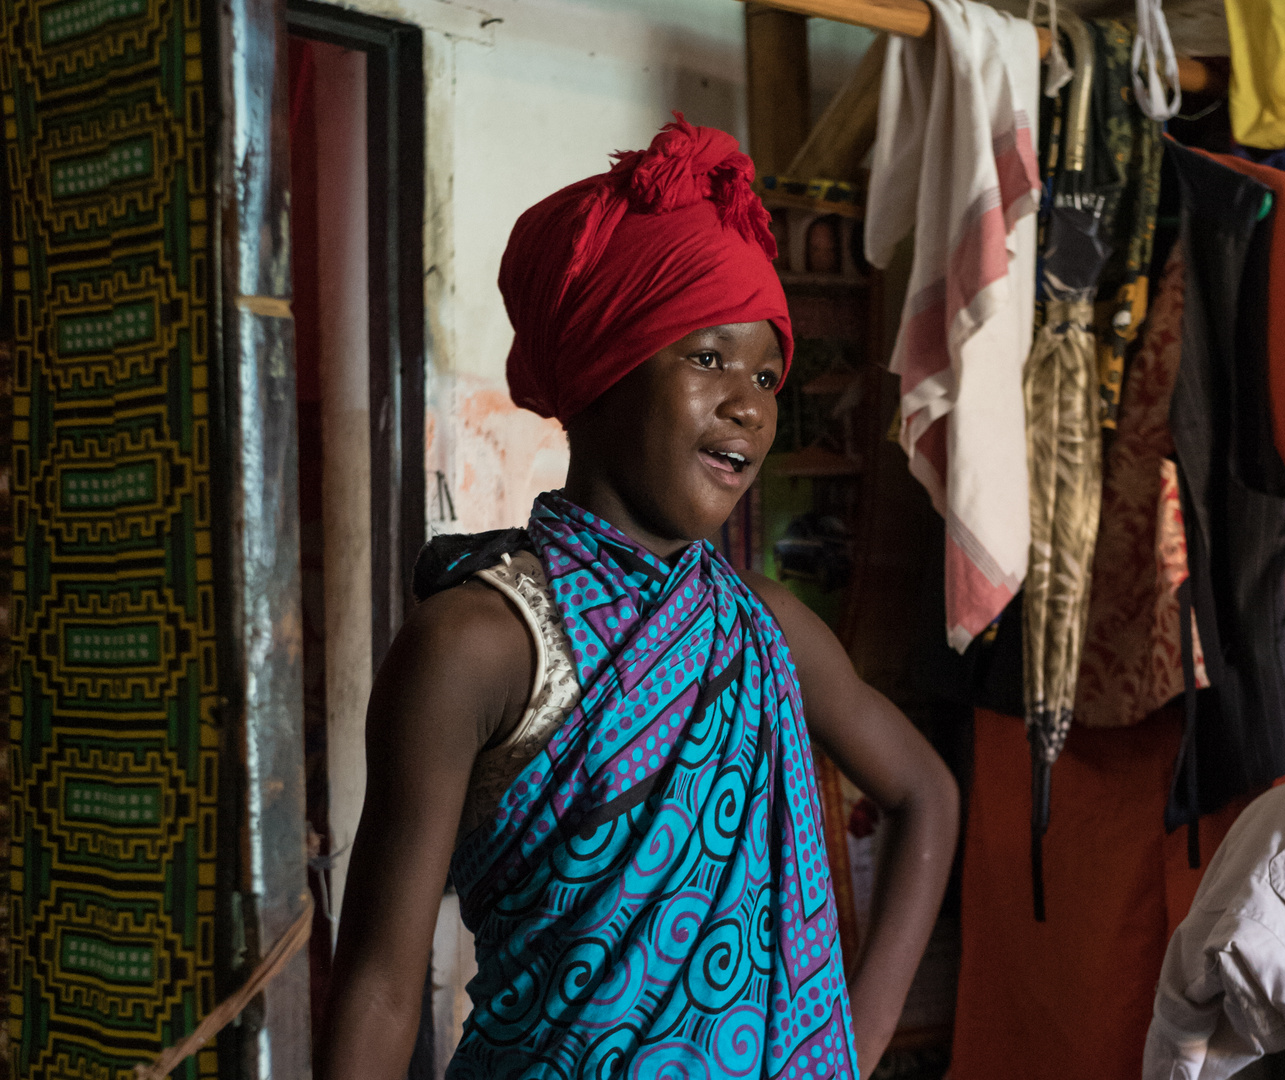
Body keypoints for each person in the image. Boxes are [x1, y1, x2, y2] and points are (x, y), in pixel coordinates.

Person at [316, 115, 960, 1080]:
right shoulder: (479, 645)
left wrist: (849, 1049)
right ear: (606, 368)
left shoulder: (763, 630)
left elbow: (927, 796)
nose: (749, 402)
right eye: (707, 358)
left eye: (768, 375)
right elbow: (378, 986)